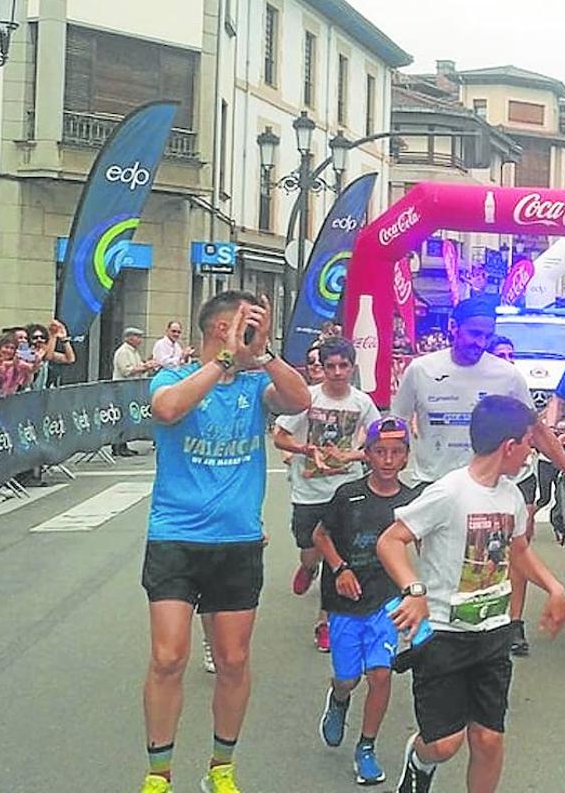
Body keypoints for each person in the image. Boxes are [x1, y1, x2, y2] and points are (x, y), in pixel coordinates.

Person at [138, 290, 310, 793]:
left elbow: (301, 401)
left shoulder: (257, 385)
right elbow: (168, 410)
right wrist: (227, 359)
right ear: (218, 329)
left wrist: (267, 354)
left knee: (233, 660)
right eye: (244, 326)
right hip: (175, 536)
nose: (249, 335)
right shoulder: (174, 377)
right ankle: (158, 773)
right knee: (169, 657)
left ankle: (221, 768)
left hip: (236, 541)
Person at [377, 396, 565, 793]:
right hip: (443, 635)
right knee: (444, 744)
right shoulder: (449, 493)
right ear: (509, 446)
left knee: (488, 739)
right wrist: (414, 590)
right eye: (529, 443)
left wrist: (553, 587)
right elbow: (390, 541)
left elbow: (517, 550)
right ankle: (419, 759)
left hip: (493, 633)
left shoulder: (511, 495)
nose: (532, 452)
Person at [391, 296, 565, 498]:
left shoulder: (507, 375)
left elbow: (537, 429)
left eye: (487, 336)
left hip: (490, 488)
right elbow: (398, 425)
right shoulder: (420, 370)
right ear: (453, 327)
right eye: (474, 334)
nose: (481, 343)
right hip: (433, 483)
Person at [312, 416, 420, 784]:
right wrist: (340, 568)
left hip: (386, 602)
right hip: (346, 600)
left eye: (396, 453)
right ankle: (339, 699)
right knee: (348, 677)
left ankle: (366, 747)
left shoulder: (412, 501)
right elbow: (320, 536)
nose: (388, 460)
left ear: (406, 457)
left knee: (380, 674)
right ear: (367, 456)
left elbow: (426, 543)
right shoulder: (348, 495)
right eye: (380, 452)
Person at [273, 338, 379, 652]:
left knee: (339, 561)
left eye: (342, 366)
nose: (336, 372)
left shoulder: (362, 403)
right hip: (308, 490)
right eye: (330, 366)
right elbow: (279, 437)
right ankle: (308, 566)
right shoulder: (306, 399)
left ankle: (325, 622)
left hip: (344, 491)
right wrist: (306, 449)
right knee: (309, 549)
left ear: (352, 367)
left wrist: (353, 456)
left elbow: (377, 444)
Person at [485, 335, 540, 656]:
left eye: (511, 353)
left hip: (522, 477)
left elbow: (536, 429)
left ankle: (514, 622)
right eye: (500, 354)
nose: (507, 359)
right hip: (488, 480)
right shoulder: (477, 391)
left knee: (518, 548)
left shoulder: (518, 387)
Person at [114, 326, 159, 457]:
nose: (140, 340)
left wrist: (145, 366)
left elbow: (137, 368)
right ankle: (118, 446)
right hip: (122, 388)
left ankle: (124, 444)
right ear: (129, 338)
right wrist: (144, 367)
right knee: (121, 417)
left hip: (132, 389)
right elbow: (126, 371)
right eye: (137, 337)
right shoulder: (123, 352)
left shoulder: (134, 352)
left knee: (127, 417)